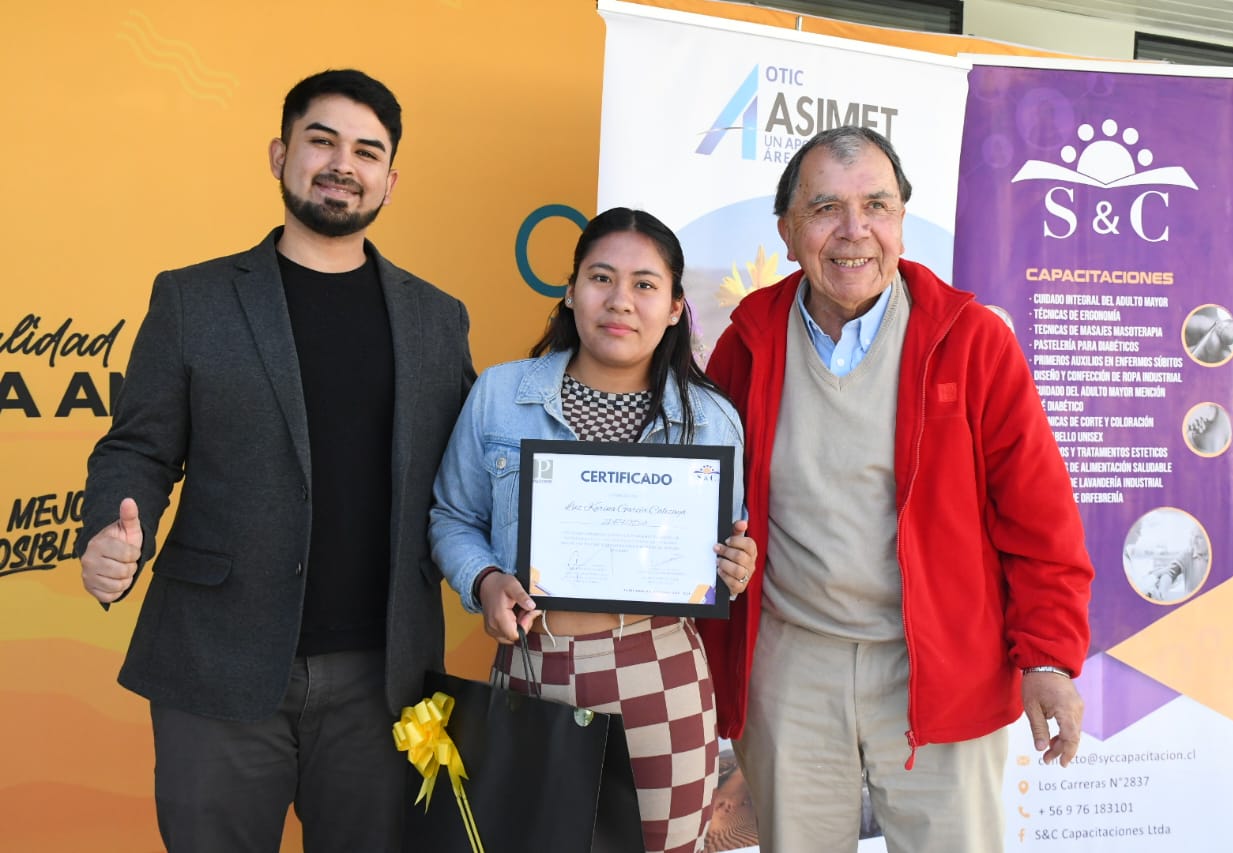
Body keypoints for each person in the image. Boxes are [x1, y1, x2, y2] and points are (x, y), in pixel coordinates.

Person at [76, 69, 474, 852]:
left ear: (390, 181)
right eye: (321, 141)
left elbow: (471, 475)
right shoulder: (192, 299)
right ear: (278, 154)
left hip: (381, 678)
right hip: (215, 662)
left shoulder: (438, 318)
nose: (342, 164)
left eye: (367, 151)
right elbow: (137, 448)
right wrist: (109, 535)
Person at [697, 126, 1094, 852]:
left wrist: (1047, 658)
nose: (855, 231)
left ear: (902, 219)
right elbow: (705, 496)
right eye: (826, 208)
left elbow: (1040, 519)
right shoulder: (748, 340)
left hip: (939, 663)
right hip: (792, 662)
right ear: (787, 231)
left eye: (876, 205)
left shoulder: (972, 341)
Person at [429, 207, 756, 853]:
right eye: (601, 277)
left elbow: (723, 551)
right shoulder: (500, 394)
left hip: (659, 674)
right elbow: (452, 515)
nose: (620, 300)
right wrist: (486, 579)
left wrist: (734, 567)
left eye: (644, 284)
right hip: (533, 668)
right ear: (571, 290)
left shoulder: (712, 419)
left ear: (675, 307)